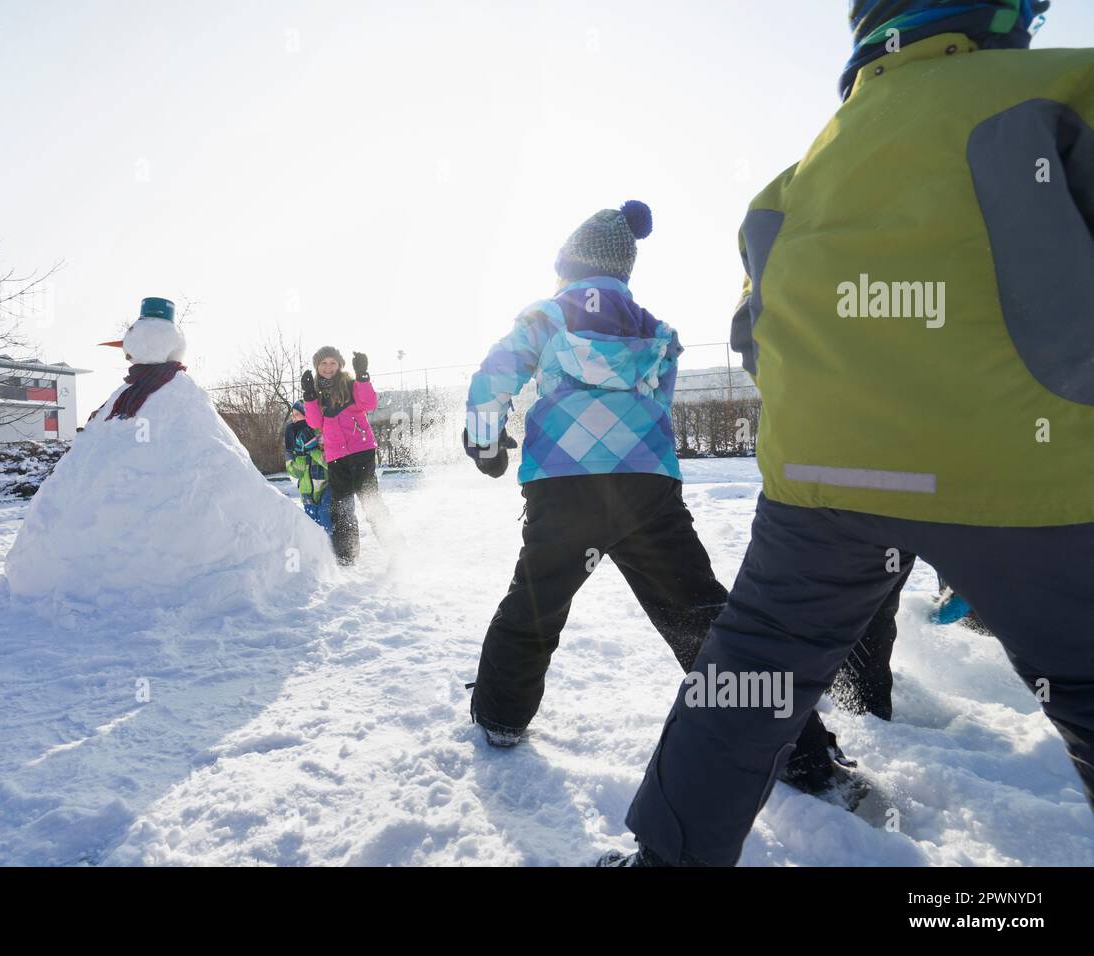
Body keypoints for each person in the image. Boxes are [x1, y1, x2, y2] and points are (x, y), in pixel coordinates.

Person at [603, 0, 1094, 867]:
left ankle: (664, 863)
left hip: (824, 488)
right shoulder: (1064, 91)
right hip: (1036, 480)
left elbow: (757, 337)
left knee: (749, 674)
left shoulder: (789, 187)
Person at [462, 200, 854, 793]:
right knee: (700, 614)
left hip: (566, 484)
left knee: (536, 604)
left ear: (569, 264)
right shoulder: (653, 327)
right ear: (623, 269)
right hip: (646, 484)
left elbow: (497, 373)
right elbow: (659, 403)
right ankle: (797, 751)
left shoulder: (547, 313)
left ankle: (499, 716)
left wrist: (485, 440)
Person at [301, 347, 399, 564]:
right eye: (324, 363)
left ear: (340, 364)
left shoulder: (350, 384)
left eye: (333, 363)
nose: (328, 367)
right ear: (317, 366)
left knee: (371, 502)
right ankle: (347, 556)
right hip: (335, 456)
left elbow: (369, 404)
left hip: (360, 450)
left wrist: (363, 376)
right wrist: (309, 396)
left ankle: (396, 550)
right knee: (342, 507)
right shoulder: (316, 393)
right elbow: (316, 423)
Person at [284, 400, 333, 534]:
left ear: (308, 415)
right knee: (314, 531)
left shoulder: (321, 433)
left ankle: (334, 552)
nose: (294, 418)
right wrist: (293, 453)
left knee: (326, 524)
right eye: (292, 415)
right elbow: (296, 473)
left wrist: (312, 449)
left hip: (325, 487)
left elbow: (331, 464)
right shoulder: (295, 437)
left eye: (297, 414)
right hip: (307, 494)